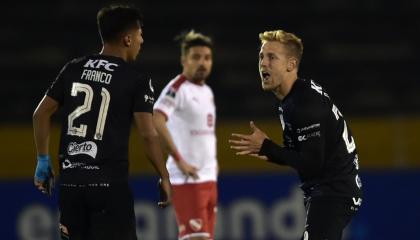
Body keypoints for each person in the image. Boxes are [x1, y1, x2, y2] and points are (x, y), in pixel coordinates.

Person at [32, 5, 171, 240]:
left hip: (71, 186)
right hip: (109, 188)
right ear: (127, 39)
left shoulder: (73, 68)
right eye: (139, 34)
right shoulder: (136, 79)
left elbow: (40, 114)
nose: (142, 40)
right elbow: (148, 134)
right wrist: (164, 176)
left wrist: (43, 161)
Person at [229, 29, 363, 240]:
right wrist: (272, 152)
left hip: (334, 193)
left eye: (272, 57)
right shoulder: (292, 97)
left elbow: (312, 163)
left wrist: (268, 147)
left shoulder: (302, 104)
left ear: (291, 65)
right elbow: (302, 153)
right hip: (330, 191)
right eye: (261, 56)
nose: (263, 63)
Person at [153, 30, 218, 240]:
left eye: (207, 58)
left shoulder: (206, 91)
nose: (202, 63)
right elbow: (157, 118)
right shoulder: (177, 88)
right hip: (187, 180)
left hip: (208, 178)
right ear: (184, 60)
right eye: (196, 57)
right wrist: (179, 161)